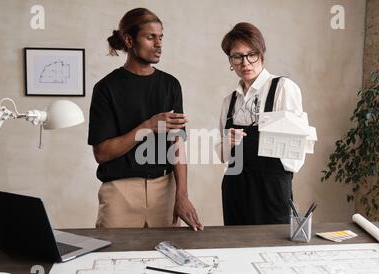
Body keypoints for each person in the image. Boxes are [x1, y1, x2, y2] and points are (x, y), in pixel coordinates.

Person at [88, 8, 203, 231]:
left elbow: (177, 145)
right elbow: (101, 153)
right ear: (130, 40)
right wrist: (148, 126)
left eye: (160, 37)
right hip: (120, 193)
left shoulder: (171, 85)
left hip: (165, 190)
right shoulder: (105, 88)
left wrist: (182, 195)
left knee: (167, 260)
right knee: (113, 261)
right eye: (150, 37)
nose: (159, 44)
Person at [218, 22, 305, 225]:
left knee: (272, 249)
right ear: (231, 61)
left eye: (252, 54)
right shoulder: (229, 101)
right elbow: (223, 156)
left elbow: (295, 155)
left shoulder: (283, 88)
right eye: (237, 56)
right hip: (234, 190)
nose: (245, 62)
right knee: (235, 250)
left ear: (262, 54)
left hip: (271, 189)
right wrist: (227, 143)